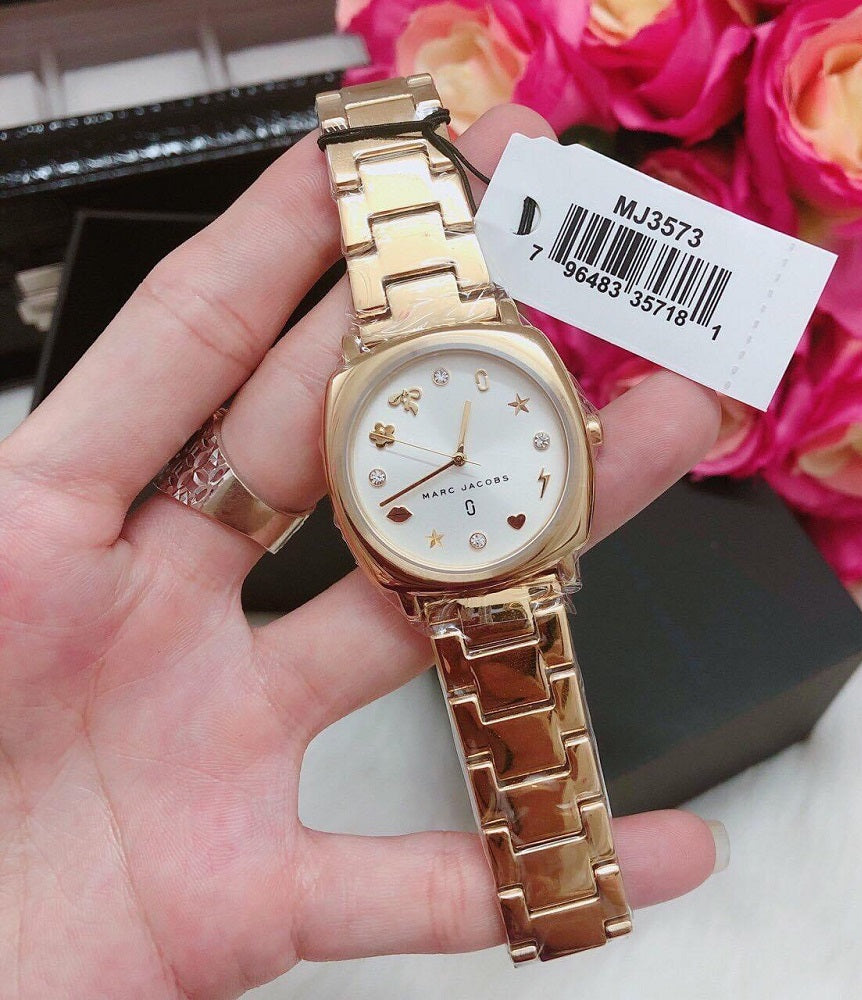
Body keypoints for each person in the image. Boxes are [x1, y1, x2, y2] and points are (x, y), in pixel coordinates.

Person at [0, 104, 725, 998]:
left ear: (579, 429)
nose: (458, 463)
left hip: (516, 558)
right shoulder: (373, 425)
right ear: (347, 506)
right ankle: (558, 884)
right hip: (451, 572)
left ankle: (560, 885)